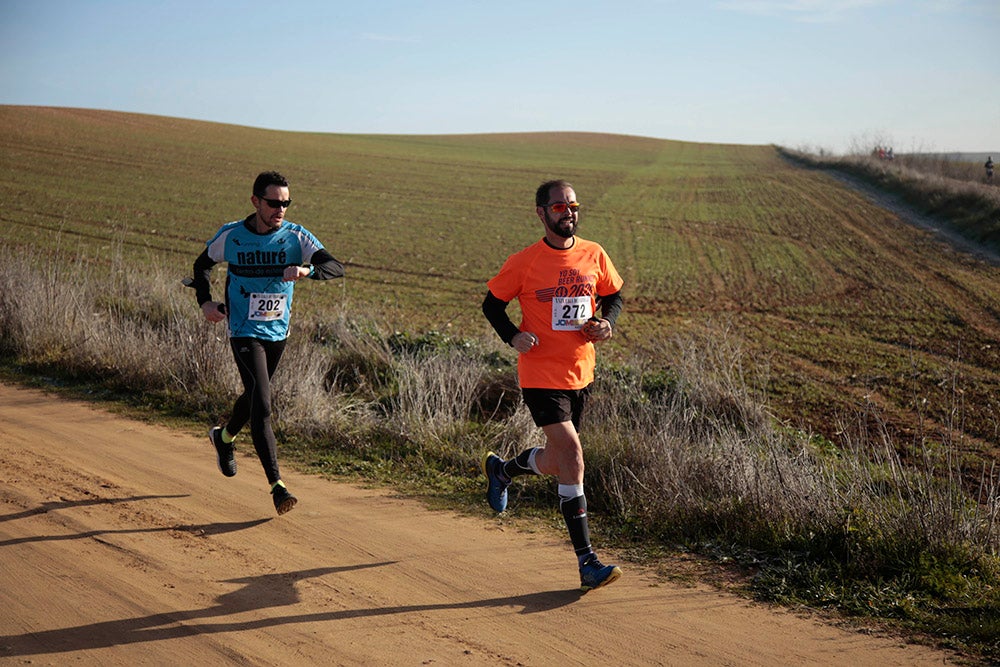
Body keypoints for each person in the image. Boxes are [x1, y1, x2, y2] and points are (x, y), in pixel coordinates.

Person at [481, 179, 625, 592]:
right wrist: (512, 336)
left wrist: (607, 322)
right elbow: (492, 304)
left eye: (573, 205)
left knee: (560, 462)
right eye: (559, 207)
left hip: (582, 372)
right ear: (541, 213)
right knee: (574, 456)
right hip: (540, 375)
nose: (569, 212)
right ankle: (587, 562)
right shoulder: (524, 262)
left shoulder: (594, 253)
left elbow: (613, 294)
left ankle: (503, 470)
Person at [189, 171, 344, 515]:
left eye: (286, 203)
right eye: (274, 203)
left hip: (278, 332)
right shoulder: (232, 236)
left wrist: (308, 272)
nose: (281, 209)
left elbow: (336, 266)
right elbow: (202, 266)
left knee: (254, 394)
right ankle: (278, 486)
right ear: (256, 202)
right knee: (263, 402)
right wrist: (205, 302)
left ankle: (224, 437)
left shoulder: (296, 238)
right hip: (243, 330)